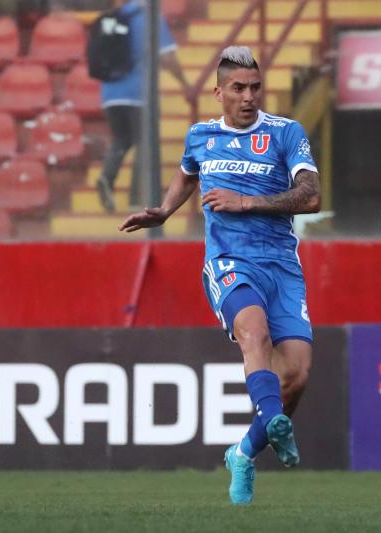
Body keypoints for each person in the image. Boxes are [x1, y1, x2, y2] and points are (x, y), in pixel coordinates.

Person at [118, 46, 321, 505]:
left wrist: (246, 202)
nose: (248, 96)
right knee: (255, 333)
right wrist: (164, 211)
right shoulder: (201, 135)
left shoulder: (285, 133)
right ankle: (273, 421)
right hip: (229, 260)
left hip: (283, 266)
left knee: (298, 376)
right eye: (238, 88)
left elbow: (311, 196)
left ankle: (244, 452)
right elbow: (189, 173)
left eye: (254, 88)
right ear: (218, 93)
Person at [96, 0, 190, 212]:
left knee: (122, 138)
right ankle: (137, 198)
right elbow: (167, 58)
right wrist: (185, 84)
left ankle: (106, 176)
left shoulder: (116, 17)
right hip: (138, 94)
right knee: (145, 143)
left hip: (110, 94)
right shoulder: (150, 18)